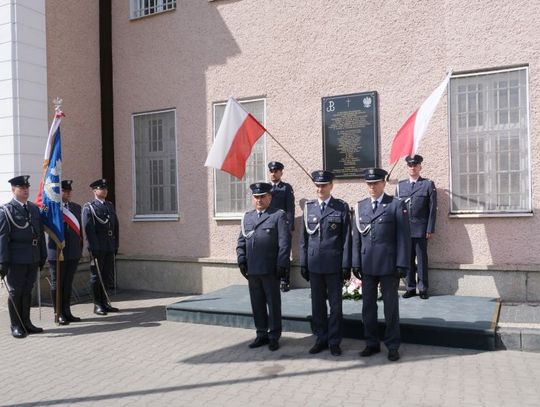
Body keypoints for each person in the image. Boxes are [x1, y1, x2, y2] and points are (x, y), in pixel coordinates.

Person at [352, 168, 410, 361]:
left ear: (384, 183)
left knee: (390, 307)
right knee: (368, 307)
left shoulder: (395, 205)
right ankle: (371, 343)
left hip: (389, 266)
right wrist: (355, 263)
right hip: (367, 265)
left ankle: (393, 345)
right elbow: (356, 239)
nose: (372, 187)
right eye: (369, 183)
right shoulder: (361, 207)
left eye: (376, 183)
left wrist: (402, 263)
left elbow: (404, 238)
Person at [299, 170, 351, 356]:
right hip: (314, 265)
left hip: (334, 265)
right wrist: (303, 262)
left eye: (323, 185)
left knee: (335, 306)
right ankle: (321, 338)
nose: (320, 188)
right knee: (317, 305)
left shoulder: (340, 207)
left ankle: (335, 341)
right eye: (317, 185)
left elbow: (346, 239)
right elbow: (304, 239)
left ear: (331, 186)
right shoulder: (309, 208)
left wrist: (346, 265)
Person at [237, 182, 291, 351]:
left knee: (273, 304)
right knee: (257, 303)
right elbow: (241, 242)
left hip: (270, 269)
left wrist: (282, 263)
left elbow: (284, 243)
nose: (259, 200)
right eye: (256, 197)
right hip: (253, 269)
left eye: (262, 197)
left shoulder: (278, 216)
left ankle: (274, 336)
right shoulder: (248, 217)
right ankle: (261, 334)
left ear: (270, 197)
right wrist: (241, 260)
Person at [0, 175, 47, 338]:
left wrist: (43, 255)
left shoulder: (34, 209)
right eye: (21, 188)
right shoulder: (6, 210)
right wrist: (3, 262)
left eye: (27, 188)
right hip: (16, 258)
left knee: (28, 290)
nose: (25, 190)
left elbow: (39, 234)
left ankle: (26, 322)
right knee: (16, 291)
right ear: (13, 190)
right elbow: (3, 238)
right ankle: (15, 325)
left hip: (32, 257)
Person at [396, 155, 437, 300]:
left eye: (415, 165)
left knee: (421, 260)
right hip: (405, 230)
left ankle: (423, 288)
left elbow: (432, 209)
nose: (412, 168)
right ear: (407, 167)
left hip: (421, 230)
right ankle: (410, 287)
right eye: (410, 165)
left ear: (420, 167)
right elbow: (397, 209)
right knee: (407, 260)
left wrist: (429, 228)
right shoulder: (400, 186)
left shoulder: (427, 184)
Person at [47, 180, 83, 324]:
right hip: (56, 252)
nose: (67, 193)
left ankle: (67, 311)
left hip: (72, 251)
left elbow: (80, 232)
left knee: (68, 283)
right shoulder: (51, 208)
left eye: (69, 191)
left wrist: (80, 249)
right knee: (57, 283)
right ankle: (58, 313)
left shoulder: (76, 207)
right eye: (64, 191)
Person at [82, 179, 119, 316]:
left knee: (106, 275)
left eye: (105, 188)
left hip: (109, 245)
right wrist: (92, 247)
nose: (104, 190)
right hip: (98, 246)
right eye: (100, 188)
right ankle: (97, 304)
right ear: (94, 191)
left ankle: (105, 302)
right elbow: (89, 229)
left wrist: (116, 245)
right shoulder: (89, 207)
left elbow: (116, 227)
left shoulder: (109, 205)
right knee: (96, 276)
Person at [267, 161, 295, 292]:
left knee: (284, 252)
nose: (273, 173)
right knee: (271, 252)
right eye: (271, 171)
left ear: (281, 172)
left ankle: (285, 280)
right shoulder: (266, 188)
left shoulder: (286, 188)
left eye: (276, 171)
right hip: (270, 226)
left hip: (283, 225)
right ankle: (272, 278)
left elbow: (290, 208)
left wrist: (289, 225)